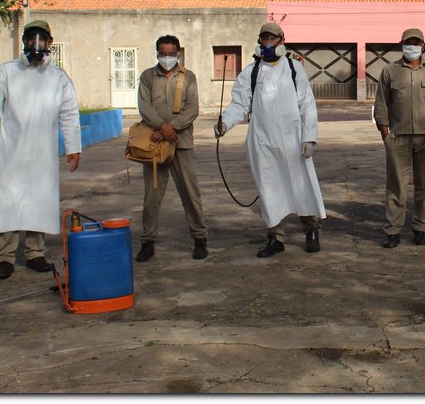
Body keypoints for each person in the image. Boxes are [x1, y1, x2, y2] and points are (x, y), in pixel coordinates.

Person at [0, 20, 81, 280]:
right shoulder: (6, 72)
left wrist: (73, 147)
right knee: (8, 202)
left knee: (39, 201)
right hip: (12, 151)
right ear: (24, 42)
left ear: (49, 43)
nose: (36, 44)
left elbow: (69, 114)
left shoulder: (59, 78)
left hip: (42, 154)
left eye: (41, 39)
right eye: (31, 39)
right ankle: (5, 258)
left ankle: (35, 253)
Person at [217, 22, 326, 257]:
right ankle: (275, 237)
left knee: (302, 185)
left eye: (273, 38)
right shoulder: (251, 71)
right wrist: (225, 122)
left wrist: (309, 137)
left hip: (293, 139)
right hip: (262, 140)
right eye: (264, 38)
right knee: (268, 188)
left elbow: (307, 103)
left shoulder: (295, 68)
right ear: (259, 40)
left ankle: (311, 230)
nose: (268, 42)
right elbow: (240, 103)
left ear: (281, 40)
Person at [373, 28, 425, 248]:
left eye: (416, 43)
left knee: (424, 185)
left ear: (423, 46)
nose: (412, 47)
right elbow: (381, 106)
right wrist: (386, 136)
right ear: (401, 44)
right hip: (398, 138)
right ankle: (393, 230)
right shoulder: (389, 71)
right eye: (408, 43)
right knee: (396, 186)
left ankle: (420, 228)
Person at [135, 35, 209, 262]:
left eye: (171, 53)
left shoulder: (188, 77)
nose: (167, 57)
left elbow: (192, 109)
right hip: (154, 143)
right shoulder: (148, 76)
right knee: (152, 196)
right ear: (157, 53)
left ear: (178, 54)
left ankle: (199, 238)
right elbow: (144, 106)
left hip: (181, 143)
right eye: (162, 53)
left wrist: (171, 128)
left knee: (190, 193)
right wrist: (160, 127)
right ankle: (148, 242)